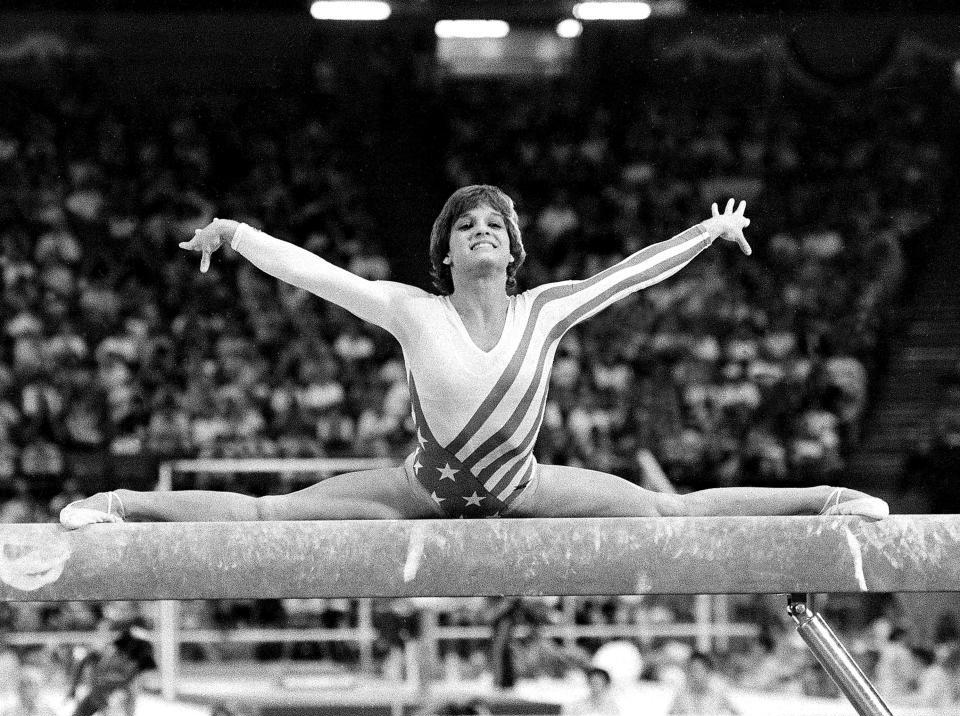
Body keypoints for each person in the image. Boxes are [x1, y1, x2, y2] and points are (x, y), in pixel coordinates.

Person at [60, 186, 889, 527]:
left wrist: (709, 234)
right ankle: (119, 505)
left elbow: (631, 273)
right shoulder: (412, 312)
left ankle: (829, 498)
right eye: (466, 226)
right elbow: (316, 275)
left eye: (494, 223)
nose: (481, 230)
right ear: (447, 255)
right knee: (274, 516)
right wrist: (238, 235)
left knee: (668, 514)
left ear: (515, 250)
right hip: (421, 485)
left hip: (526, 486)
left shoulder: (548, 309)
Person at [66, 624, 156, 716]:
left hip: (113, 696)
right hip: (98, 693)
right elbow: (85, 661)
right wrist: (73, 687)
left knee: (118, 698)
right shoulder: (109, 651)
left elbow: (126, 680)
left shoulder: (135, 662)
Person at [666, 651, 740, 716]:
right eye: (690, 670)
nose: (693, 674)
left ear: (708, 672)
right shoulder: (681, 698)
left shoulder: (718, 697)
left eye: (697, 669)